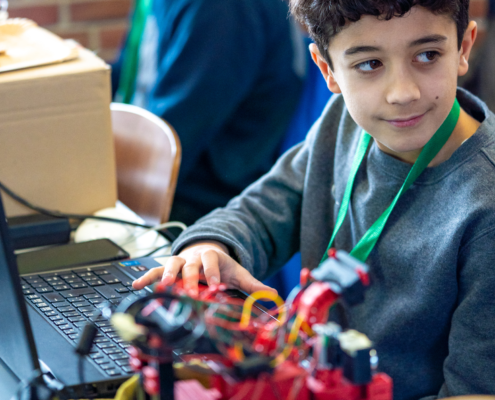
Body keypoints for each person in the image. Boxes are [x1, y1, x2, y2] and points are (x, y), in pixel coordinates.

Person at [134, 0, 495, 398]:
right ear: (328, 70)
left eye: (427, 55)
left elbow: (474, 390)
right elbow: (265, 206)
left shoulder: (485, 205)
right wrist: (212, 244)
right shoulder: (341, 119)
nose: (402, 93)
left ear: (463, 48)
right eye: (370, 64)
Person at [112, 0, 305, 226]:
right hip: (163, 168)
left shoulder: (221, 9)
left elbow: (177, 133)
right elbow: (128, 75)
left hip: (206, 198)